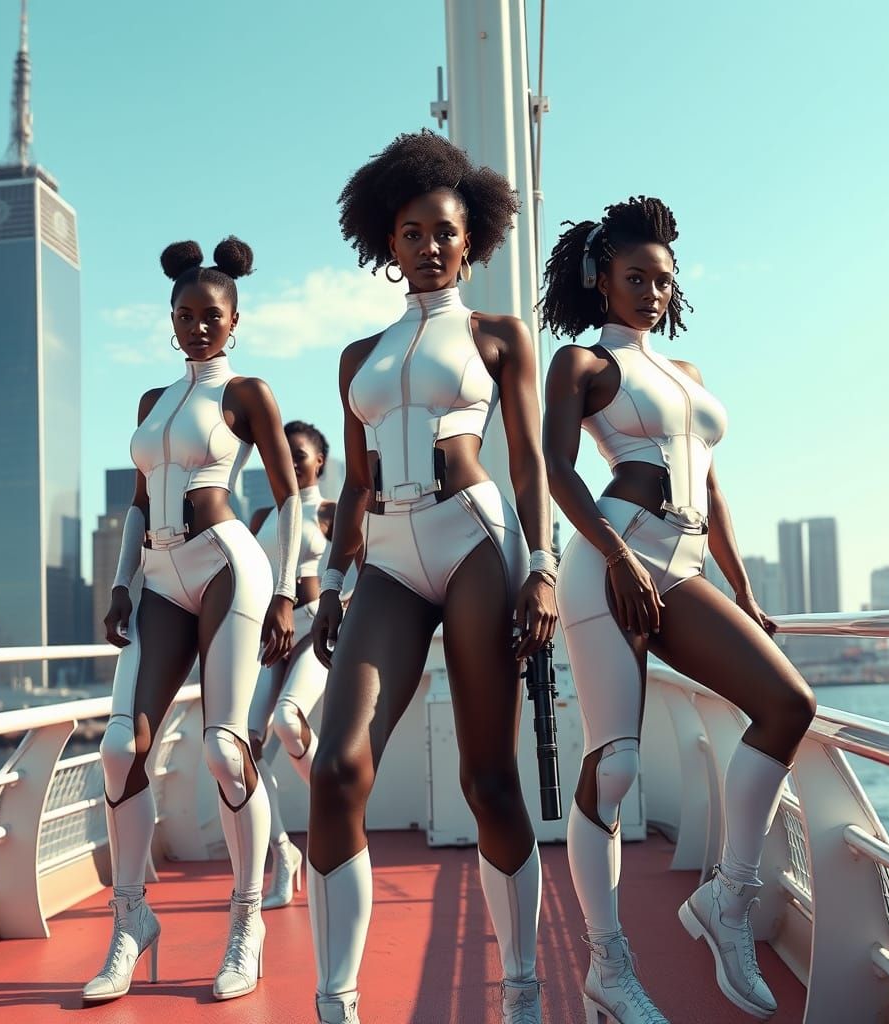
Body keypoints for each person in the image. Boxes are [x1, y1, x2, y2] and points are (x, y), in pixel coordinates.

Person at [540, 197, 816, 1023]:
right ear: (600, 279)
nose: (653, 291)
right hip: (612, 557)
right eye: (636, 277)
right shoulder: (582, 366)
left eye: (664, 280)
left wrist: (745, 593)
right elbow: (560, 472)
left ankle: (728, 909)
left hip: (686, 566)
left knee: (786, 704)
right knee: (616, 765)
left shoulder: (688, 377)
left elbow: (715, 492)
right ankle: (607, 962)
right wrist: (620, 557)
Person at [307, 130, 557, 1024]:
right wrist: (332, 584)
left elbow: (527, 465)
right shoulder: (356, 358)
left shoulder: (498, 336)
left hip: (476, 541)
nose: (429, 246)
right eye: (411, 232)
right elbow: (354, 483)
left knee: (486, 780)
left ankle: (520, 983)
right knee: (336, 770)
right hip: (386, 553)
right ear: (389, 242)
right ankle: (336, 1001)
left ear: (470, 238)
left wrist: (545, 569)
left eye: (445, 231)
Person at [84, 238, 302, 1004]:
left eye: (211, 316)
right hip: (155, 575)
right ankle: (130, 923)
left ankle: (247, 922)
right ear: (170, 322)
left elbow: (291, 493)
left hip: (224, 562)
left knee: (221, 746)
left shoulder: (246, 393)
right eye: (184, 316)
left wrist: (281, 595)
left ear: (233, 320)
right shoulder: (151, 403)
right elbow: (139, 503)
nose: (197, 327)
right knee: (118, 750)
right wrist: (118, 583)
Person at [248, 421, 336, 909]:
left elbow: (357, 575)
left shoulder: (330, 511)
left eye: (298, 453)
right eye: (281, 451)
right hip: (269, 638)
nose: (289, 459)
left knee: (288, 718)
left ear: (319, 461)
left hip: (313, 630)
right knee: (247, 750)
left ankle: (335, 806)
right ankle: (284, 854)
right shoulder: (264, 513)